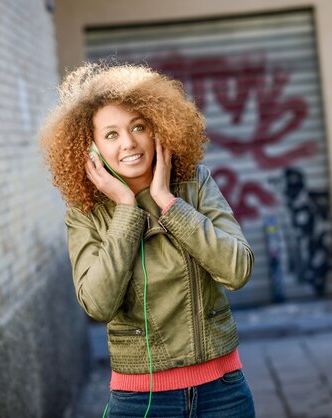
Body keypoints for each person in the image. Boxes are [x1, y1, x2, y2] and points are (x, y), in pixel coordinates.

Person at [39, 63, 256, 418]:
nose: (128, 143)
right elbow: (97, 304)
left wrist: (169, 203)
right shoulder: (87, 213)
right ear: (89, 148)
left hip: (223, 392)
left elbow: (237, 270)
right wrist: (126, 209)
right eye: (110, 135)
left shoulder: (194, 185)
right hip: (142, 401)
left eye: (138, 126)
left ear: (158, 128)